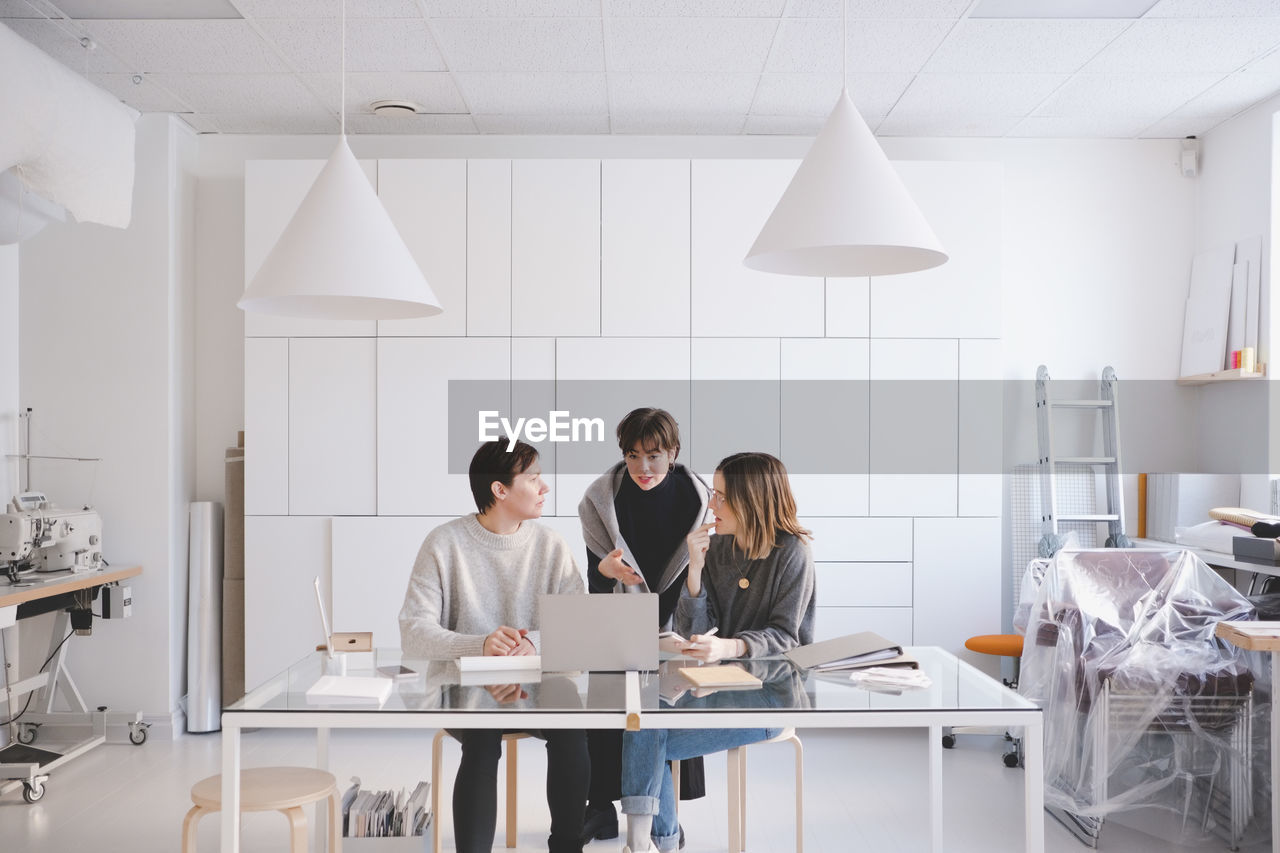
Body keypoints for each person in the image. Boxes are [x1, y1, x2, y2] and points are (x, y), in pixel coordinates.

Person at [618, 451, 816, 853]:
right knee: (643, 714)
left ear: (753, 499)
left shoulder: (793, 553)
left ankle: (649, 843)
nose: (712, 504)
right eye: (715, 493)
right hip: (712, 684)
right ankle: (649, 843)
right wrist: (693, 570)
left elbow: (787, 638)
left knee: (648, 736)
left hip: (771, 696)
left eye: (722, 496)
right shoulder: (718, 548)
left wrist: (730, 645)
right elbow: (695, 632)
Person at [399, 438, 588, 853]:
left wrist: (533, 644)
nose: (545, 488)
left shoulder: (552, 546)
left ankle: (567, 845)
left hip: (542, 683)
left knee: (573, 726)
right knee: (482, 737)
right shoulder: (444, 543)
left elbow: (581, 628)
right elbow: (413, 631)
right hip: (465, 687)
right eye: (534, 478)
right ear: (499, 490)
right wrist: (478, 645)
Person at [578, 408, 711, 843]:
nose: (643, 467)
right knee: (605, 687)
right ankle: (599, 806)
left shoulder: (699, 499)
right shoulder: (600, 500)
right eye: (633, 455)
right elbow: (595, 580)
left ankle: (661, 812)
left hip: (679, 618)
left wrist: (676, 628)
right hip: (618, 616)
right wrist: (608, 572)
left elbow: (705, 577)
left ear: (673, 452)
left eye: (654, 455)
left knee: (669, 696)